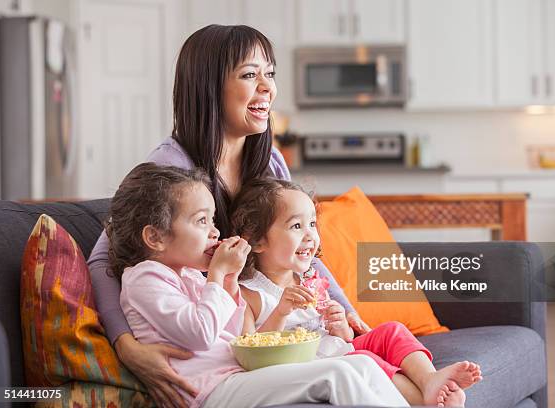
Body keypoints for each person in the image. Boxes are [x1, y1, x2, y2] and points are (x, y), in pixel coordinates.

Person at [87, 24, 370, 407]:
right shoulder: (171, 168)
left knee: (374, 367)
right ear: (208, 87)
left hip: (262, 328)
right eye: (250, 75)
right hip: (223, 347)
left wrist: (347, 312)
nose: (267, 87)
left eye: (269, 74)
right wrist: (126, 347)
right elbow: (105, 257)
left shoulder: (269, 161)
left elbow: (301, 250)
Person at [107, 162, 409, 408]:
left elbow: (237, 333)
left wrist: (228, 280)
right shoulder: (144, 278)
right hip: (209, 392)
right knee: (337, 373)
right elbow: (199, 333)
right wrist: (217, 276)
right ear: (155, 237)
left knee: (362, 366)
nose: (214, 232)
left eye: (213, 221)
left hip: (235, 376)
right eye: (201, 221)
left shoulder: (188, 275)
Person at [230, 178, 483, 408]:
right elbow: (250, 354)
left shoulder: (309, 279)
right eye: (296, 226)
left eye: (312, 224)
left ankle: (430, 380)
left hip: (335, 346)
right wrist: (280, 312)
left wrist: (339, 324)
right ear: (257, 240)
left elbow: (342, 337)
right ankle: (424, 402)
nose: (310, 235)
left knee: (391, 331)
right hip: (311, 365)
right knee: (366, 359)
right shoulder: (249, 293)